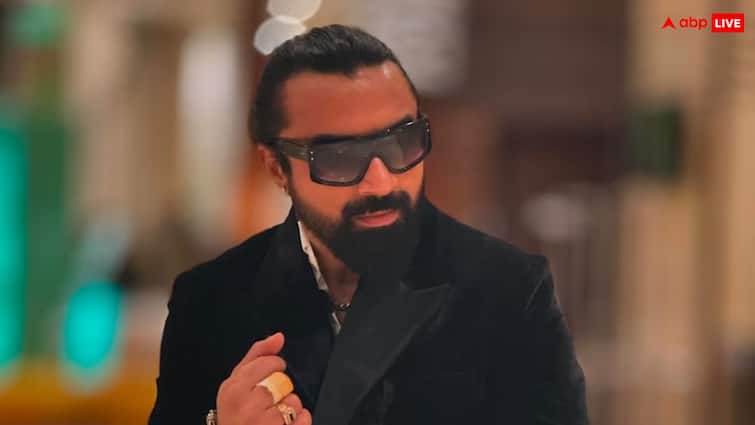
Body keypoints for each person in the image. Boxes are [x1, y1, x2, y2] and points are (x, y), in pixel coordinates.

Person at [148, 24, 588, 425]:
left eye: (401, 142)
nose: (381, 182)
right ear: (277, 167)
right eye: (340, 157)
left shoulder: (508, 289)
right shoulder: (210, 299)